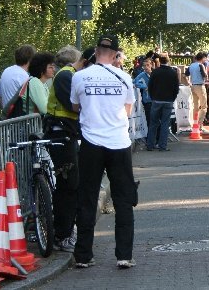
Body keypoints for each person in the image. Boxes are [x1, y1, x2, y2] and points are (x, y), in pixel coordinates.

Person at [71, 34, 137, 268]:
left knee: (87, 198)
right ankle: (124, 255)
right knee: (123, 200)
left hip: (91, 143)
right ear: (116, 54)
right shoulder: (125, 78)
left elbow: (75, 106)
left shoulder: (79, 77)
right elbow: (128, 110)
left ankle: (83, 256)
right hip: (118, 143)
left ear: (95, 52)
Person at [44, 46, 95, 253]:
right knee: (68, 185)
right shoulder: (66, 76)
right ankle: (61, 235)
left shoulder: (71, 75)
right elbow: (75, 105)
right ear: (84, 62)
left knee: (73, 184)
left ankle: (65, 231)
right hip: (60, 134)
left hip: (68, 134)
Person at [146, 53, 179, 151]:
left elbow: (150, 86)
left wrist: (153, 97)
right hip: (168, 100)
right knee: (165, 123)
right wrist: (173, 98)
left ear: (159, 61)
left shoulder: (155, 72)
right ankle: (162, 146)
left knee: (153, 123)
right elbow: (176, 88)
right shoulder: (173, 72)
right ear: (168, 61)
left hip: (156, 100)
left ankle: (150, 145)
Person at [186, 52, 208, 127]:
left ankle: (195, 123)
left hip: (193, 86)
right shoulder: (201, 65)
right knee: (203, 106)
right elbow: (204, 76)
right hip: (200, 86)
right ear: (202, 58)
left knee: (195, 106)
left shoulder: (191, 65)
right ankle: (200, 124)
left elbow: (185, 75)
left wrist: (188, 82)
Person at [133, 58, 154, 136]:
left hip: (157, 100)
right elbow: (134, 83)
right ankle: (150, 139)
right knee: (149, 120)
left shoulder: (155, 74)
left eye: (147, 65)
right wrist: (144, 86)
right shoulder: (142, 75)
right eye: (144, 65)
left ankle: (157, 139)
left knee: (157, 121)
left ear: (151, 65)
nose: (146, 67)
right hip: (147, 100)